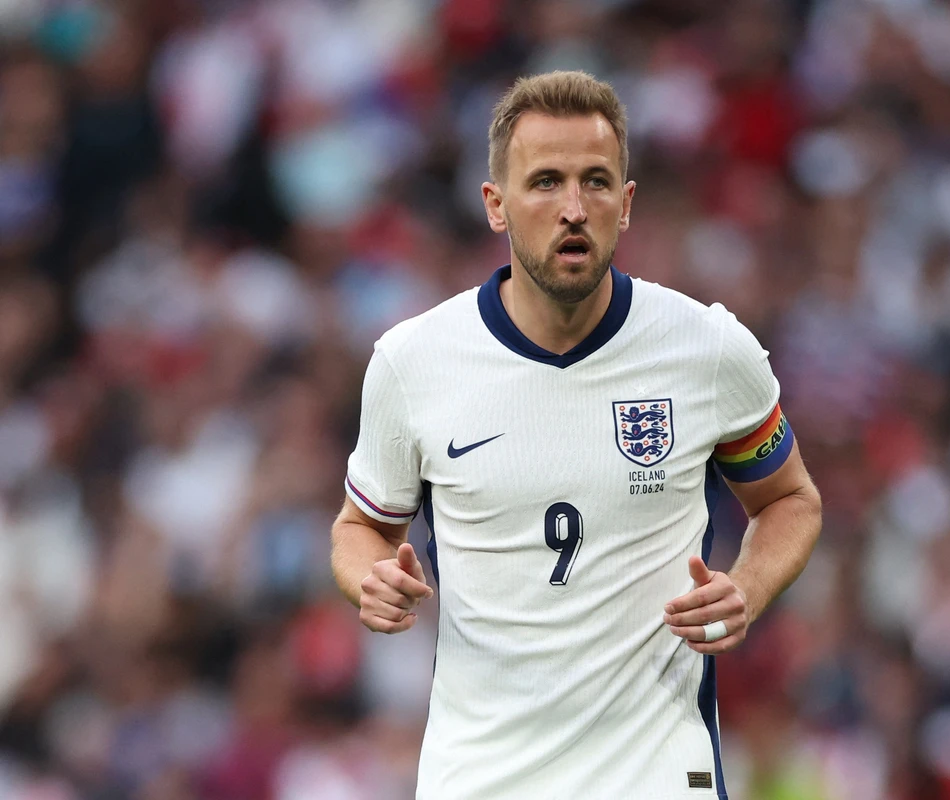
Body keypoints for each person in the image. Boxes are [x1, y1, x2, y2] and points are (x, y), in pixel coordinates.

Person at [329, 70, 822, 800]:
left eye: (596, 182)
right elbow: (360, 526)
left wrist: (745, 589)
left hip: (657, 775)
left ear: (627, 204)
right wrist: (370, 579)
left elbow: (790, 499)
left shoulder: (708, 350)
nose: (573, 208)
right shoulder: (414, 362)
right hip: (484, 780)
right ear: (495, 205)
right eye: (546, 182)